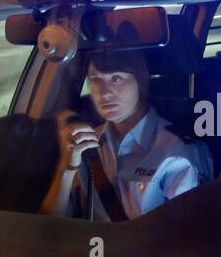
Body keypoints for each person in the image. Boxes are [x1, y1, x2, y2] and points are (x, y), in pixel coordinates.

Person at [41, 49, 211, 220]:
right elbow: (49, 226)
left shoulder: (178, 152)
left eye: (116, 78)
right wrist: (66, 168)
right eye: (95, 79)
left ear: (140, 81)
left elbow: (189, 234)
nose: (103, 92)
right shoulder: (84, 145)